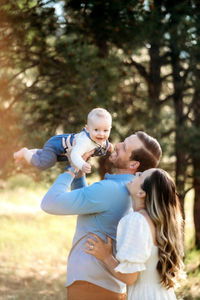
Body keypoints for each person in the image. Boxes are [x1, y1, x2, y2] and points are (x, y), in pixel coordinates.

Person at [40, 131, 162, 300]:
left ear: (133, 164)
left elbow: (50, 203)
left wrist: (72, 169)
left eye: (124, 147)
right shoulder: (129, 189)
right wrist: (80, 173)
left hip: (92, 286)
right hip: (105, 285)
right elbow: (85, 202)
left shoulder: (111, 189)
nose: (117, 145)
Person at [85, 168, 185, 300]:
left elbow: (129, 277)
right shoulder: (162, 223)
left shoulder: (136, 221)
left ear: (141, 193)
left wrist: (106, 256)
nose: (135, 174)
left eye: (140, 175)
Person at [13, 108, 113, 173]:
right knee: (45, 164)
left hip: (62, 148)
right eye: (96, 130)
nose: (101, 134)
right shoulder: (84, 142)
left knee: (54, 158)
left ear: (110, 129)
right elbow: (74, 155)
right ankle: (25, 152)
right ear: (87, 129)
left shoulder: (99, 138)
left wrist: (109, 145)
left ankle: (34, 152)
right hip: (56, 145)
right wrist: (82, 165)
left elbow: (102, 142)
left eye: (105, 130)